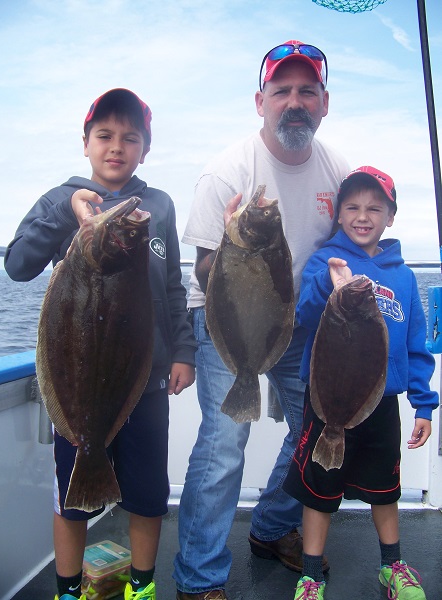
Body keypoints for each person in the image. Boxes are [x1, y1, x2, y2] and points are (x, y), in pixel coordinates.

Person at [173, 40, 350, 599]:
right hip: (227, 322)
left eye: (307, 92)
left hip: (297, 324)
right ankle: (198, 578)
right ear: (260, 102)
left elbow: (352, 246)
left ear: (324, 102)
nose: (294, 103)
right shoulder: (226, 173)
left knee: (317, 428)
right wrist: (233, 249)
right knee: (225, 442)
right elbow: (203, 270)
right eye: (281, 92)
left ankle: (272, 527)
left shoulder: (338, 172)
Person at [4, 88, 197, 600]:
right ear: (85, 143)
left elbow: (172, 288)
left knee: (149, 494)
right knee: (71, 497)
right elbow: (18, 265)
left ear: (145, 149)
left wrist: (183, 350)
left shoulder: (158, 206)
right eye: (105, 135)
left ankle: (142, 587)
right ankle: (68, 590)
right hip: (78, 383)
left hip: (145, 381)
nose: (116, 146)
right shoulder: (60, 200)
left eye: (130, 138)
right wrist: (65, 214)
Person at [284, 166, 439, 600]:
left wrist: (424, 404)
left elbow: (415, 346)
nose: (362, 216)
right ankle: (310, 575)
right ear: (338, 215)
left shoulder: (404, 276)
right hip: (328, 402)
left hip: (380, 403)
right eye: (352, 207)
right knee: (318, 492)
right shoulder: (325, 261)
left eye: (374, 208)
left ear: (391, 216)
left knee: (385, 490)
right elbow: (304, 314)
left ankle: (393, 566)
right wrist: (326, 282)